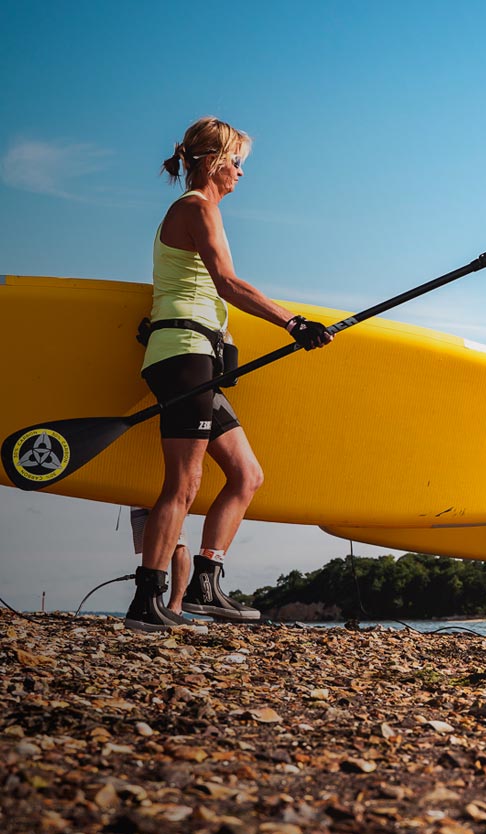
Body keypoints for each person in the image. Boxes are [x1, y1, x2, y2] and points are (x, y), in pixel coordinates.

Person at [124, 117, 332, 632]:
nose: (241, 172)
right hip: (184, 353)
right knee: (185, 482)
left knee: (246, 475)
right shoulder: (197, 208)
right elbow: (227, 283)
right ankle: (146, 601)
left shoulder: (197, 210)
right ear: (216, 163)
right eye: (237, 162)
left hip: (195, 356)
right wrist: (292, 322)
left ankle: (205, 582)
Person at [128, 507, 189, 621]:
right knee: (150, 544)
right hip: (142, 497)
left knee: (178, 542)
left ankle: (175, 608)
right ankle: (147, 605)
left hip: (166, 498)